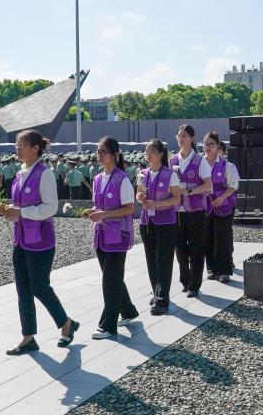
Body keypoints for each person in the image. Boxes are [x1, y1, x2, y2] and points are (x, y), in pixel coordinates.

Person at [0, 131, 79, 354]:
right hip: (21, 239)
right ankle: (28, 337)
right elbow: (20, 205)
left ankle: (66, 323)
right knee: (23, 289)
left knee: (40, 287)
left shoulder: (45, 174)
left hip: (41, 240)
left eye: (22, 145)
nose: (18, 149)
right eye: (17, 145)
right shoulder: (20, 173)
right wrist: (10, 211)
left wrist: (20, 212)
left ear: (35, 148)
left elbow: (51, 207)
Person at [90, 137, 139, 339]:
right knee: (113, 277)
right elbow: (98, 206)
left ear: (115, 155)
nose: (100, 156)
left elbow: (129, 208)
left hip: (118, 235)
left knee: (109, 280)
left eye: (104, 152)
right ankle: (128, 310)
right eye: (98, 152)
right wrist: (93, 212)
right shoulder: (97, 179)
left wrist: (104, 214)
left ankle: (108, 325)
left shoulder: (122, 179)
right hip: (101, 235)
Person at [136, 139, 182, 315]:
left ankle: (162, 299)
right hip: (147, 222)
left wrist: (156, 204)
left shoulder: (170, 174)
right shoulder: (142, 173)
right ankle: (156, 292)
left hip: (166, 222)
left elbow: (176, 198)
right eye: (146, 152)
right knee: (151, 260)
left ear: (161, 154)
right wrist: (141, 198)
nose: (148, 155)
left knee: (164, 260)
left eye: (152, 152)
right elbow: (139, 193)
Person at [169, 124, 213, 299]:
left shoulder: (200, 161)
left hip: (195, 210)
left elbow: (208, 185)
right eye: (179, 136)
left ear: (192, 138)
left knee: (196, 248)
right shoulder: (172, 160)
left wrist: (188, 191)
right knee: (180, 248)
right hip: (177, 210)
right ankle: (185, 280)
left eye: (184, 136)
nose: (181, 139)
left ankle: (194, 285)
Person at [202, 132, 238, 283]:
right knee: (207, 237)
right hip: (204, 207)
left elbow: (233, 185)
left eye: (211, 144)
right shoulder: (199, 164)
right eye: (206, 144)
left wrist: (222, 197)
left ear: (217, 146)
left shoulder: (226, 165)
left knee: (222, 238)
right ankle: (211, 269)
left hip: (223, 206)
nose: (208, 147)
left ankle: (224, 271)